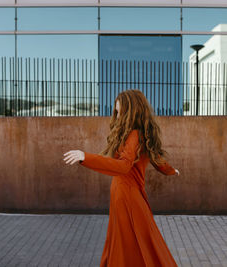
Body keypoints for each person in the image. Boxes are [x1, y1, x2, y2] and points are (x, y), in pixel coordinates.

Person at [63, 89, 179, 267]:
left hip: (127, 196)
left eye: (120, 112)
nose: (117, 117)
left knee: (133, 243)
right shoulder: (138, 134)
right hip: (125, 195)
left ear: (132, 111)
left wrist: (85, 157)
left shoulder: (134, 134)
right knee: (138, 243)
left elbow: (126, 165)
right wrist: (172, 171)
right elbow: (155, 160)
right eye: (116, 112)